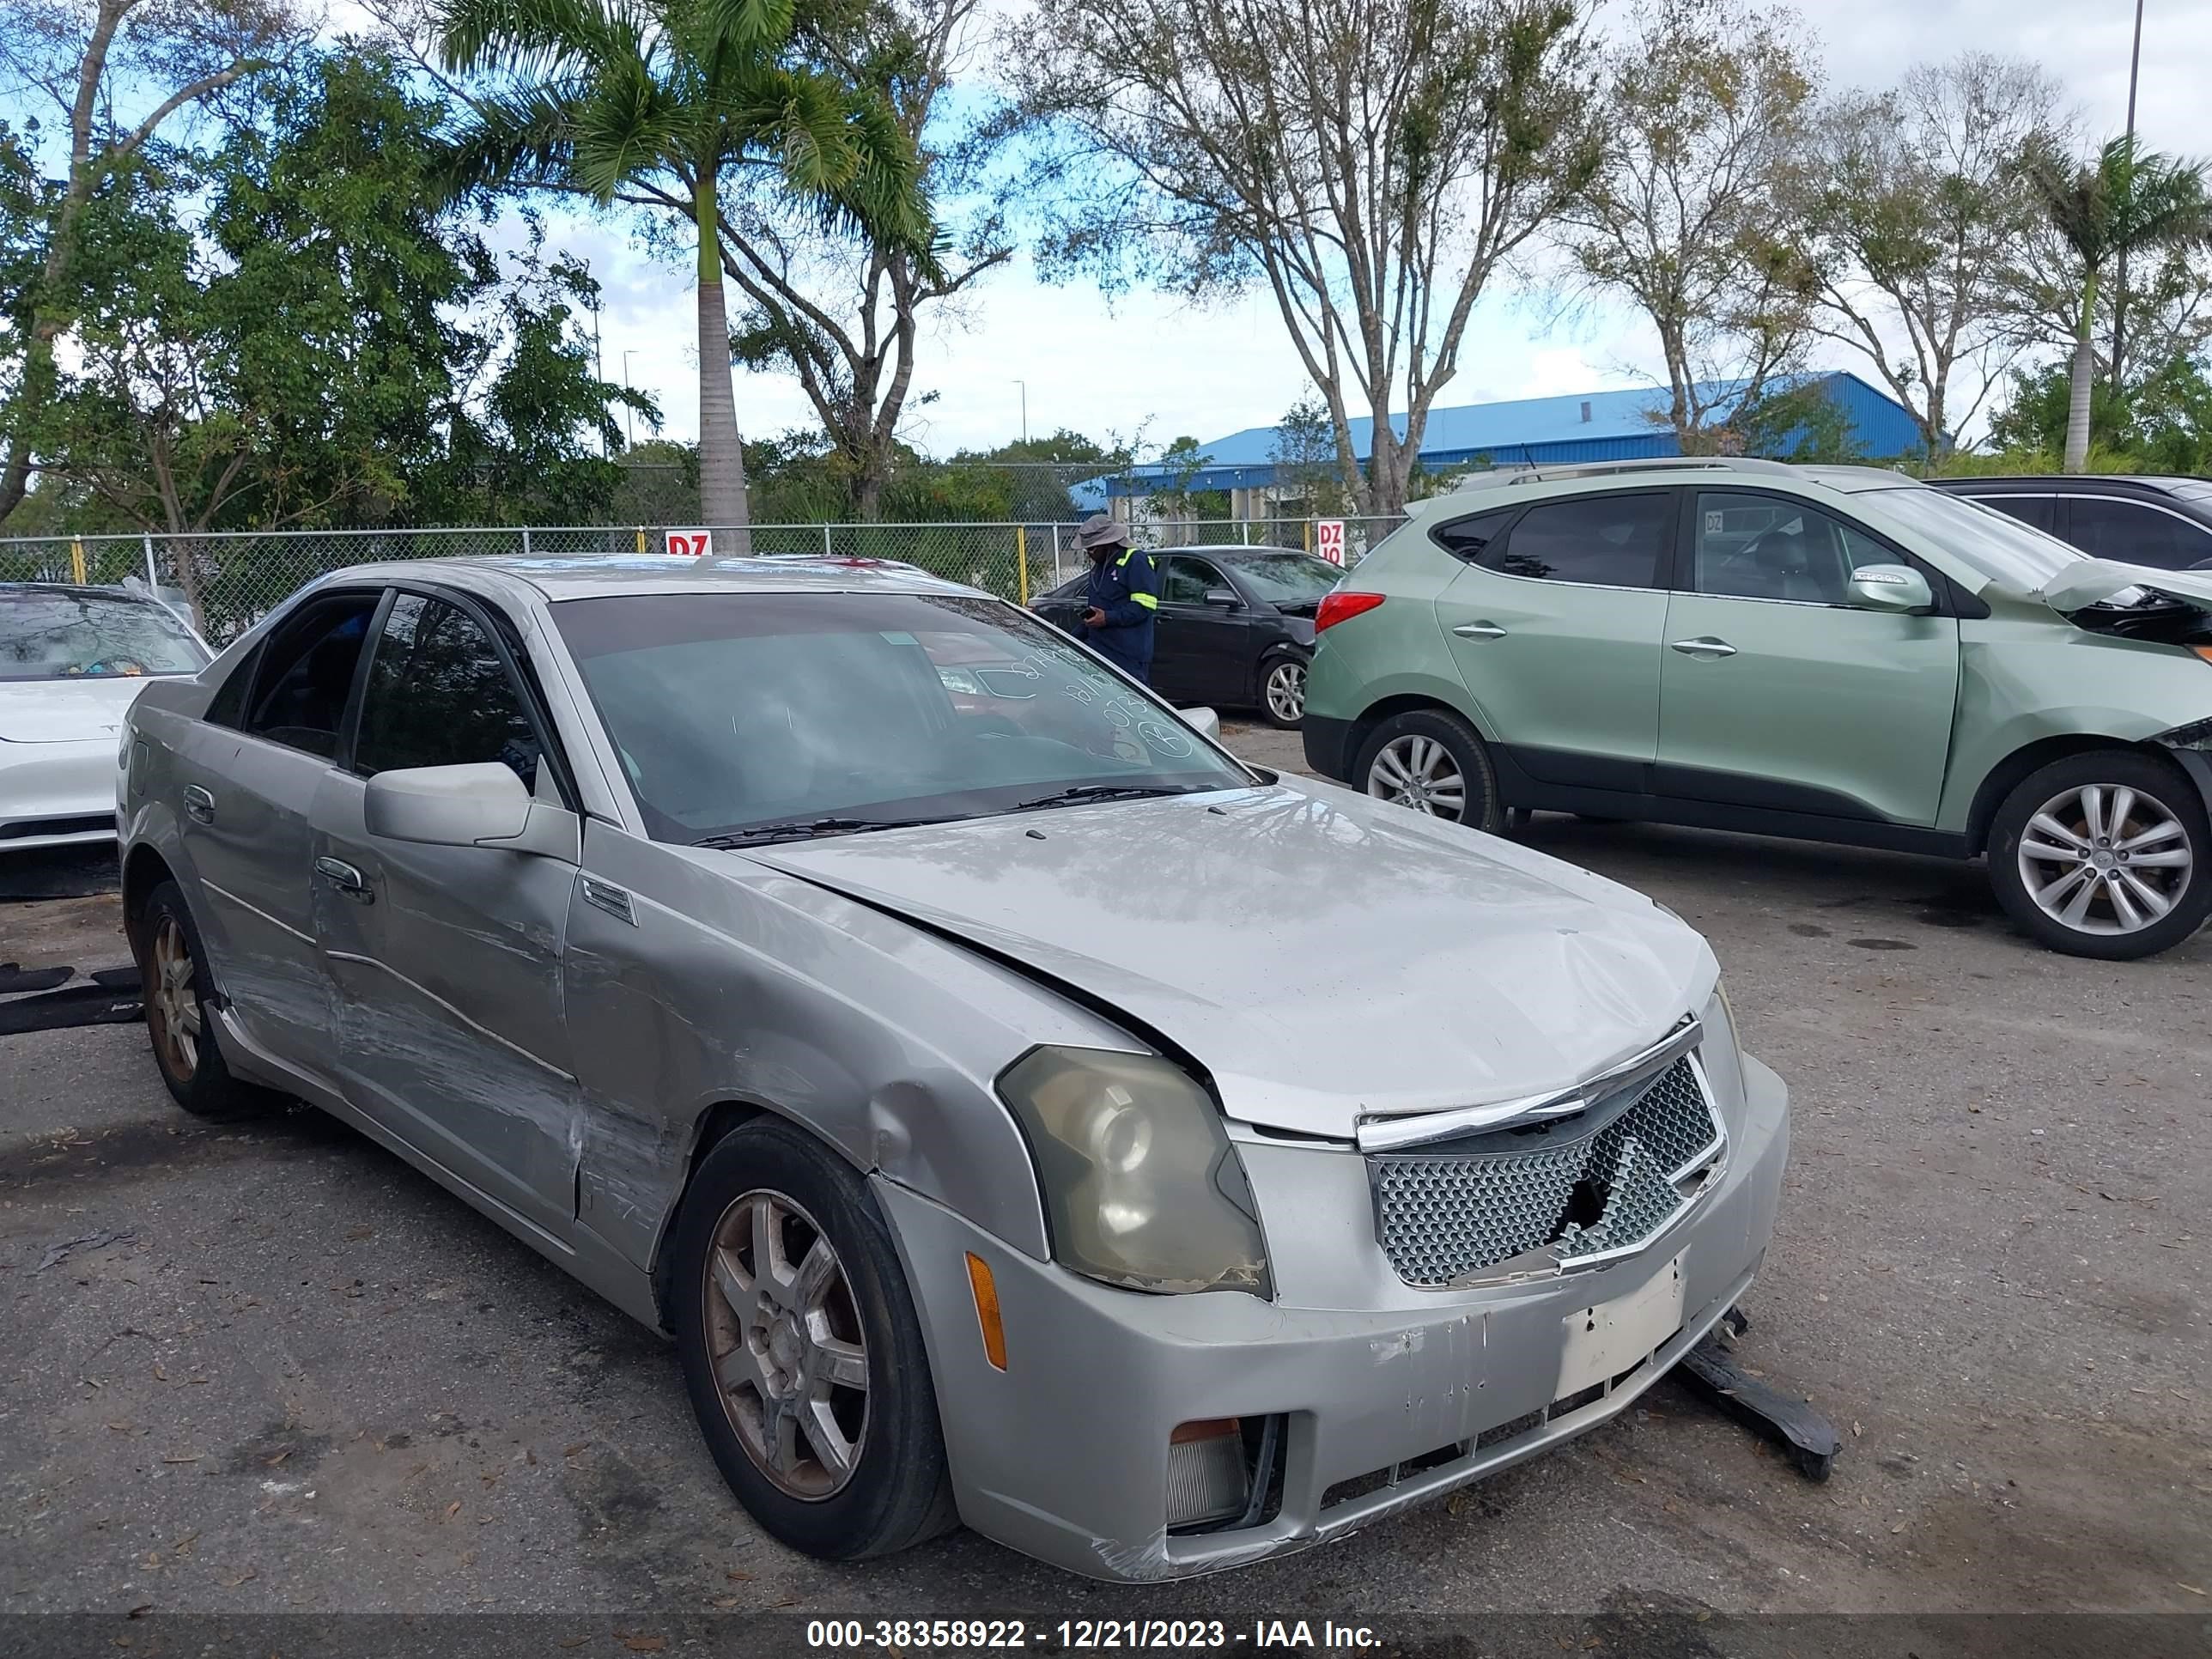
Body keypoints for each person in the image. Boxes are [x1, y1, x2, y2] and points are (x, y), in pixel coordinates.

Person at [1070, 513, 1159, 683]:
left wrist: (1108, 618)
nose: (1089, 553)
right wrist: (1069, 640)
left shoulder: (1136, 561)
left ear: (1108, 543)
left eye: (1093, 548)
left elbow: (1144, 607)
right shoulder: (1099, 568)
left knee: (1130, 707)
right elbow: (1096, 612)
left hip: (1127, 657)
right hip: (1099, 653)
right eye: (1086, 549)